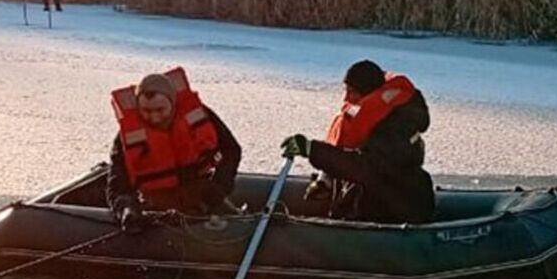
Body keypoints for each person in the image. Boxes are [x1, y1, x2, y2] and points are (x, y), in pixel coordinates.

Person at [281, 60, 436, 224]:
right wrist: (325, 179)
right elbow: (348, 154)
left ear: (369, 93)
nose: (346, 98)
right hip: (375, 203)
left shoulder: (395, 129)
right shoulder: (370, 119)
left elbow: (365, 167)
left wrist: (312, 150)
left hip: (398, 213)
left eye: (352, 91)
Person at [106, 68, 243, 232]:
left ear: (173, 102)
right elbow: (117, 184)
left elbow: (231, 150)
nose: (154, 117)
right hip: (156, 206)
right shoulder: (127, 137)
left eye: (160, 110)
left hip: (202, 197)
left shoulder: (199, 116)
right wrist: (126, 208)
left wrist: (220, 186)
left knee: (240, 228)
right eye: (147, 111)